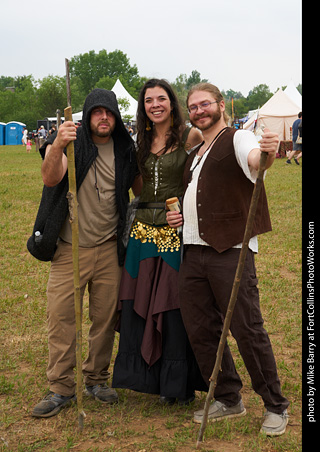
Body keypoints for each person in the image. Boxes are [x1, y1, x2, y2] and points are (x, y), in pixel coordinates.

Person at [167, 83, 289, 436]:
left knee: (247, 328)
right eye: (193, 107)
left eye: (205, 104)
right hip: (192, 250)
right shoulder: (196, 153)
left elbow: (256, 160)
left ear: (220, 105)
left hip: (230, 251)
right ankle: (228, 397)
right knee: (200, 327)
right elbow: (198, 197)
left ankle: (275, 405)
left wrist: (267, 153)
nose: (199, 110)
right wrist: (180, 218)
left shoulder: (237, 139)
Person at [27, 88, 140, 418]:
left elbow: (140, 189)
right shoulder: (73, 143)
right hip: (68, 248)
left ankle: (96, 379)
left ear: (116, 116)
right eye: (96, 111)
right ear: (87, 115)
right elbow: (51, 178)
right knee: (61, 319)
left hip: (108, 250)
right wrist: (58, 143)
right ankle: (61, 387)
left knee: (104, 320)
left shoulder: (124, 148)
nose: (103, 117)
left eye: (109, 112)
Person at [112, 79, 208, 404]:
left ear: (172, 102)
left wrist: (181, 208)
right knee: (140, 304)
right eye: (149, 100)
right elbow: (139, 188)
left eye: (161, 98)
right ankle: (146, 379)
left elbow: (200, 177)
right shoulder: (141, 140)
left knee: (170, 306)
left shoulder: (189, 136)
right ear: (144, 106)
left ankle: (176, 384)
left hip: (173, 232)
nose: (155, 104)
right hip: (141, 232)